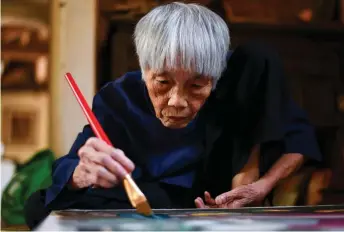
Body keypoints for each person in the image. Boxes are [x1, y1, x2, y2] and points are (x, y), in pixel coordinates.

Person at [24, 2, 322, 229]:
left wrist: (260, 188)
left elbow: (299, 141)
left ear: (215, 78)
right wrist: (80, 174)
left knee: (259, 56)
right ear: (144, 71)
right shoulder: (117, 98)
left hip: (212, 198)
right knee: (40, 204)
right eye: (162, 83)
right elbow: (71, 167)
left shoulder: (241, 81)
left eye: (197, 86)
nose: (178, 102)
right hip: (146, 198)